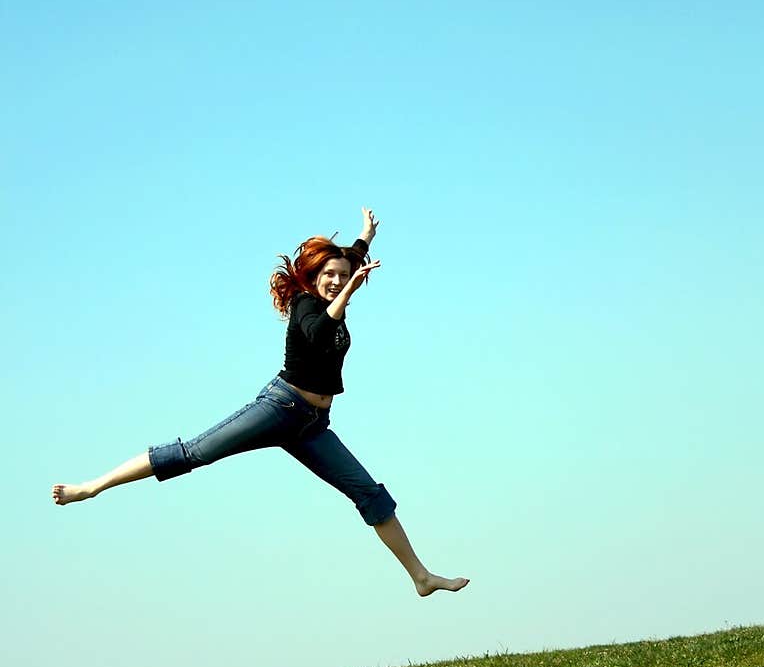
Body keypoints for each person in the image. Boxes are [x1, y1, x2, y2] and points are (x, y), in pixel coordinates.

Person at [52, 207, 469, 598]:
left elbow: (350, 261)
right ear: (313, 278)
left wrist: (364, 238)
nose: (338, 281)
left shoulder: (338, 286)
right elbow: (320, 333)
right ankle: (91, 487)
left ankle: (421, 577)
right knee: (193, 452)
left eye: (344, 276)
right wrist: (348, 289)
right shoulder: (307, 304)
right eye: (330, 276)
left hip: (312, 427)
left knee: (370, 494)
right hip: (279, 409)